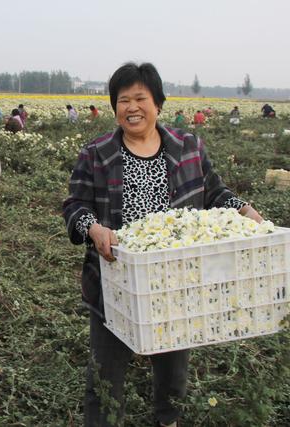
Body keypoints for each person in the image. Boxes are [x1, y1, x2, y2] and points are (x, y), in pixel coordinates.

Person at [63, 62, 264, 427]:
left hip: (175, 283)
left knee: (173, 369)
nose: (132, 107)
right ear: (114, 107)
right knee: (105, 373)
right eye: (123, 100)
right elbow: (75, 205)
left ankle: (167, 420)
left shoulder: (188, 146)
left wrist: (243, 209)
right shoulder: (97, 153)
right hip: (115, 283)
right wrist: (93, 229)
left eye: (141, 98)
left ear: (158, 103)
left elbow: (214, 191)